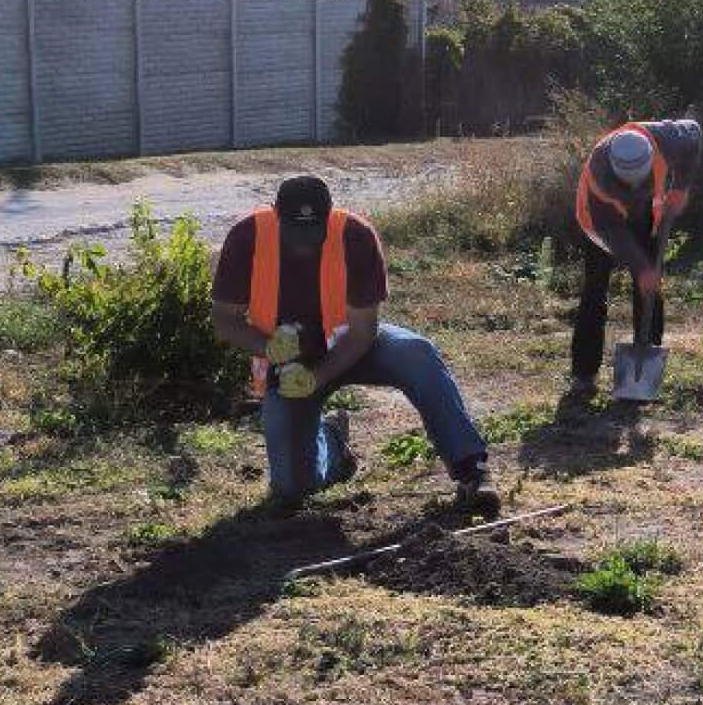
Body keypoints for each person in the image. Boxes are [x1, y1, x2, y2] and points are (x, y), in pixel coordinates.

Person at [211, 174, 499, 516]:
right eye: (295, 233)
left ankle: (472, 469)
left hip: (353, 346)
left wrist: (318, 377)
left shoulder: (355, 235)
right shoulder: (247, 237)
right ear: (275, 213)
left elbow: (363, 331)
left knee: (416, 353)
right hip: (290, 365)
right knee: (291, 488)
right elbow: (225, 321)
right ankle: (334, 443)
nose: (304, 245)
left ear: (330, 214)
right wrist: (268, 346)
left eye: (313, 232)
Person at [569, 115, 703, 397]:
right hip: (600, 224)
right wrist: (642, 268)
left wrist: (681, 186)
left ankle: (647, 355)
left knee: (651, 290)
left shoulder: (665, 138)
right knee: (595, 290)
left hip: (645, 216)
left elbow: (694, 136)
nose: (634, 188)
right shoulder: (600, 178)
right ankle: (584, 374)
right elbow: (615, 235)